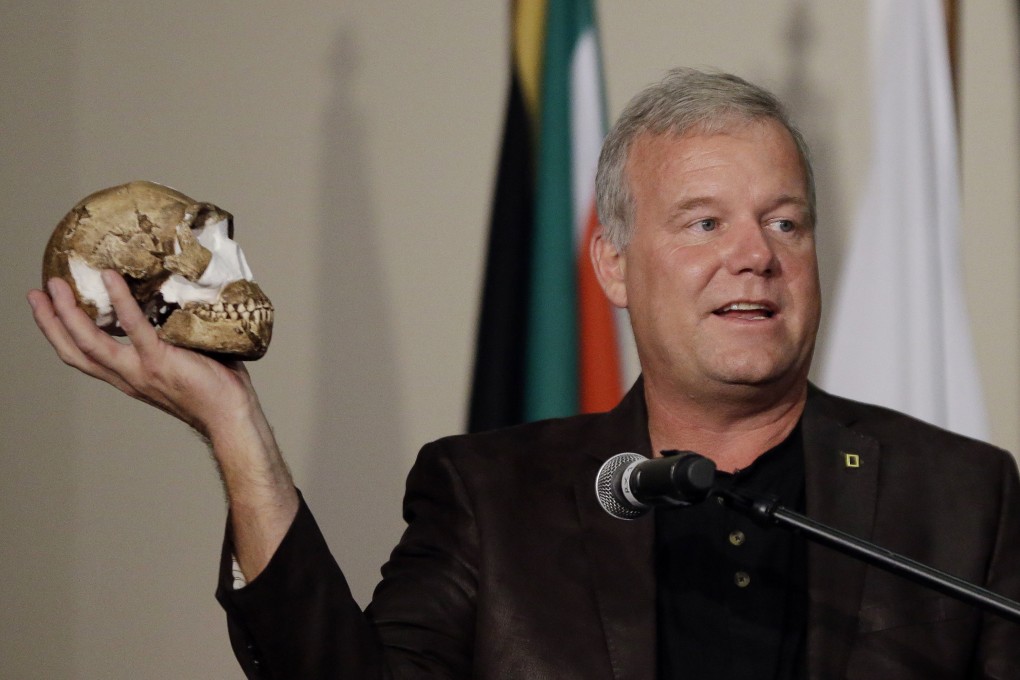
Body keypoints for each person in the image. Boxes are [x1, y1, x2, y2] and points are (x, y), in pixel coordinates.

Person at [29, 68, 1020, 679]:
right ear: (614, 264)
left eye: (785, 220)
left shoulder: (959, 495)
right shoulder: (491, 497)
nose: (754, 254)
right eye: (704, 221)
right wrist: (236, 430)